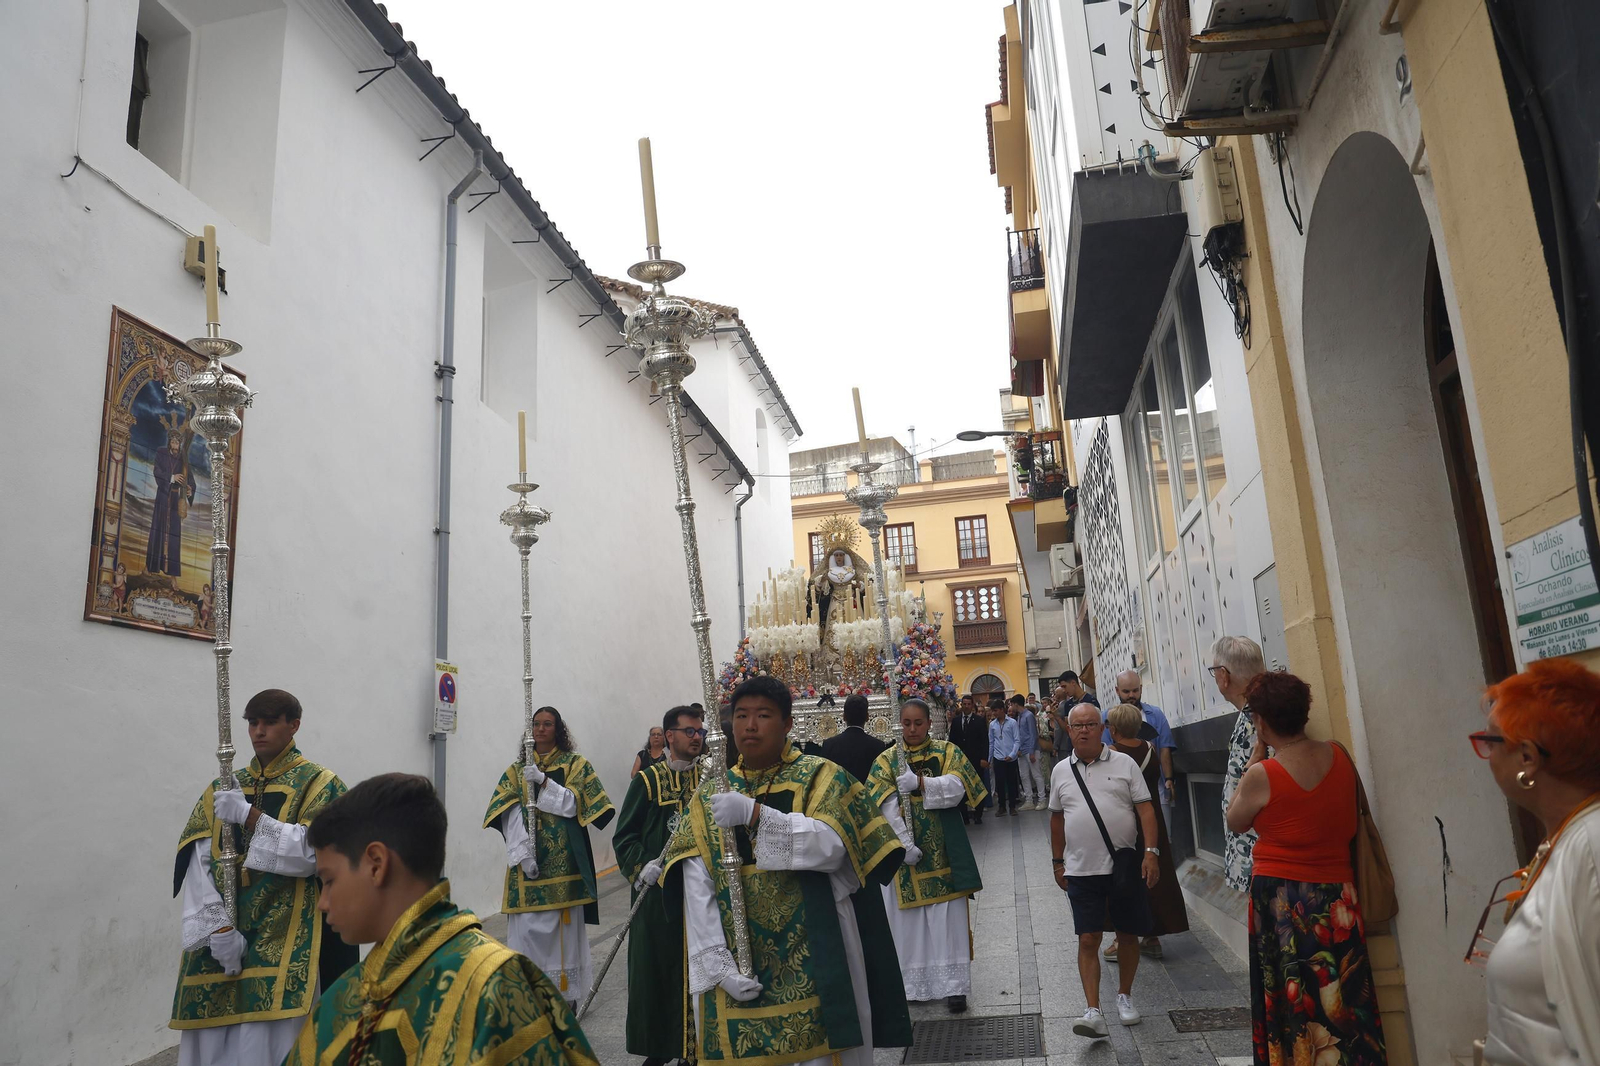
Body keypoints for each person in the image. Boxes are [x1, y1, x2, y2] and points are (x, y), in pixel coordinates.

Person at [662, 675, 913, 1065]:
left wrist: (756, 814)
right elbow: (696, 881)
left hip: (817, 942)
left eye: (763, 715)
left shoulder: (820, 776)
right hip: (737, 953)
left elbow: (835, 848)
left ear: (787, 723)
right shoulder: (710, 793)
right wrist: (717, 965)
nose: (749, 725)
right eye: (742, 715)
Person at [285, 773, 597, 1065]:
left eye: (328, 880)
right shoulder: (343, 997)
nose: (323, 903)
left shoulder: (495, 984)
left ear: (376, 865)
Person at [169, 689, 356, 1066]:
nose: (259, 731)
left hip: (287, 933)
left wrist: (248, 816)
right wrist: (218, 932)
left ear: (294, 725)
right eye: (253, 722)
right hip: (221, 940)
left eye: (270, 722)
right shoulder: (223, 786)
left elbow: (312, 854)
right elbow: (196, 859)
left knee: (272, 1045)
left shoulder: (321, 784)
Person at [1225, 671, 1386, 1065]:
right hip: (1338, 897)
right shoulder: (1340, 756)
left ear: (1261, 722)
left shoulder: (1264, 774)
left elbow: (1235, 821)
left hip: (1282, 900)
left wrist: (1253, 759)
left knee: (1290, 1001)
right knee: (1344, 997)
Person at [1474, 658, 1600, 1065]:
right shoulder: (1568, 839)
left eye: (1490, 742)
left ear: (1527, 758)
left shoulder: (1592, 846)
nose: (1486, 754)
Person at [484, 706, 615, 1004]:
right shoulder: (516, 771)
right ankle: (528, 991)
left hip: (564, 869)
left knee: (563, 938)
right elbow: (506, 812)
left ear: (558, 730)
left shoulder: (575, 765)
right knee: (527, 932)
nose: (541, 729)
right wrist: (523, 854)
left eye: (547, 724)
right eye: (536, 724)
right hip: (527, 869)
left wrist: (543, 782)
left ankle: (565, 996)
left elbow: (574, 806)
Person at [866, 698, 987, 1013]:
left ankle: (955, 988)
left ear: (929, 722)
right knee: (909, 923)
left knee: (947, 919)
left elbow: (960, 789)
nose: (912, 729)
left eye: (918, 723)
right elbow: (881, 805)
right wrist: (903, 843)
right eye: (906, 723)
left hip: (944, 850)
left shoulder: (948, 752)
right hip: (905, 859)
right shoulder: (887, 760)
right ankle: (913, 985)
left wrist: (920, 783)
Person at [1050, 703, 1160, 1039]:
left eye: (1090, 724)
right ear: (1069, 731)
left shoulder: (1125, 764)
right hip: (1081, 868)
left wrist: (1151, 853)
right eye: (1077, 725)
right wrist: (1057, 862)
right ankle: (1093, 1010)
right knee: (1088, 938)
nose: (1083, 730)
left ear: (1103, 728)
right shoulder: (1060, 771)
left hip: (1123, 865)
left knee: (1126, 934)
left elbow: (1146, 811)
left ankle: (1124, 996)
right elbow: (1056, 818)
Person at [613, 705, 706, 1066]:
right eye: (689, 731)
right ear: (669, 736)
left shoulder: (710, 780)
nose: (696, 737)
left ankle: (696, 1048)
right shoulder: (647, 781)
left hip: (700, 895)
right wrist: (640, 866)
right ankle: (661, 1047)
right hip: (658, 895)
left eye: (699, 731)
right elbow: (625, 836)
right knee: (659, 972)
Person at [1102, 703, 1188, 962]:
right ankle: (1152, 937)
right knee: (1154, 877)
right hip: (1153, 821)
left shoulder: (1113, 754)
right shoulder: (1150, 749)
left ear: (1113, 729)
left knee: (1124, 878)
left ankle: (1122, 938)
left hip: (1127, 822)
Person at [1208, 635, 1265, 892]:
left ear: (1223, 675)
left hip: (1259, 858)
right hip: (1251, 853)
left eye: (1213, 672)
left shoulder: (1258, 717)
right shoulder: (1254, 712)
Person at [1104, 671, 1176, 828]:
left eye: (1135, 690)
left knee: (1162, 833)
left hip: (1155, 787)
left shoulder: (1155, 715)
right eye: (1126, 691)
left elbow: (1164, 749)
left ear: (1141, 689)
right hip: (1122, 792)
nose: (1131, 695)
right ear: (1117, 690)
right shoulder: (1107, 718)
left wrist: (1169, 779)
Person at [820, 693, 890, 784]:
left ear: (844, 717)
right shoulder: (878, 746)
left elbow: (824, 780)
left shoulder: (829, 745)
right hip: (867, 797)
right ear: (867, 717)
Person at [948, 694, 991, 824]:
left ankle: (978, 814)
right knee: (962, 788)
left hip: (976, 759)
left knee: (978, 786)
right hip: (961, 761)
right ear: (961, 705)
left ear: (972, 705)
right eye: (964, 704)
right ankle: (965, 816)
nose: (966, 706)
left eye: (968, 704)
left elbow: (985, 741)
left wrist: (984, 758)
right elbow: (952, 741)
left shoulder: (979, 720)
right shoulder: (956, 721)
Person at [1053, 673, 1099, 758]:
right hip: (1073, 748)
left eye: (1064, 686)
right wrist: (1057, 717)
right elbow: (1068, 729)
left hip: (1089, 747)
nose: (1063, 690)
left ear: (1073, 683)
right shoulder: (1068, 704)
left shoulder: (1091, 701)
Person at [1012, 694, 1046, 811]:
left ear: (1016, 704)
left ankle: (1042, 799)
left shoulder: (1028, 715)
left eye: (1012, 704)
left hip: (1031, 749)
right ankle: (1029, 800)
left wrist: (1032, 752)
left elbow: (1033, 734)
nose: (1011, 707)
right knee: (1024, 776)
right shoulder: (1019, 716)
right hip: (1022, 751)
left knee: (1036, 775)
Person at [988, 699, 1021, 816]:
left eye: (996, 711)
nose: (994, 713)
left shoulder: (1012, 722)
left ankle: (1012, 806)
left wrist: (1012, 754)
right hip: (998, 757)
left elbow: (1017, 740)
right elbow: (991, 742)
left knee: (1012, 782)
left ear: (1002, 710)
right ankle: (1002, 806)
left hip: (1011, 757)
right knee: (1000, 783)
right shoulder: (992, 725)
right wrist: (989, 759)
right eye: (993, 711)